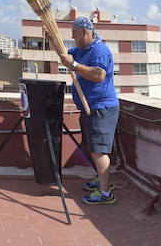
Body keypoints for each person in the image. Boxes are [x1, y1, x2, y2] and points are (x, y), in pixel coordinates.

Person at [59, 16, 120, 204]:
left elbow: (99, 75)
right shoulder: (83, 50)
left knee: (99, 150)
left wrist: (75, 65)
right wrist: (52, 38)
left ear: (85, 32)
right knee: (92, 148)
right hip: (89, 109)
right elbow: (64, 54)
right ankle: (101, 180)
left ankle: (105, 193)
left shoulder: (100, 50)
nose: (73, 37)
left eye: (75, 34)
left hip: (102, 108)